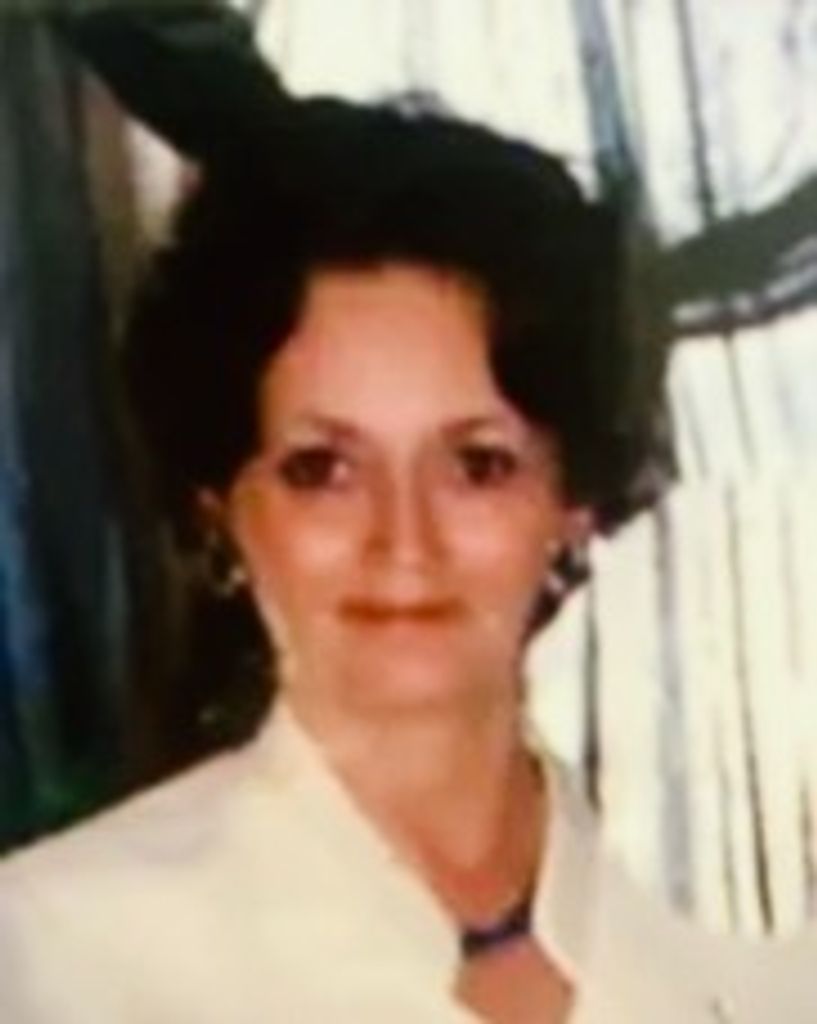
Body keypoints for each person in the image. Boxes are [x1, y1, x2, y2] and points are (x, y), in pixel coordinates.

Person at [0, 99, 761, 1023]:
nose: (403, 543)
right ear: (221, 514)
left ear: (573, 503)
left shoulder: (745, 955)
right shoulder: (57, 949)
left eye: (477, 465)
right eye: (322, 470)